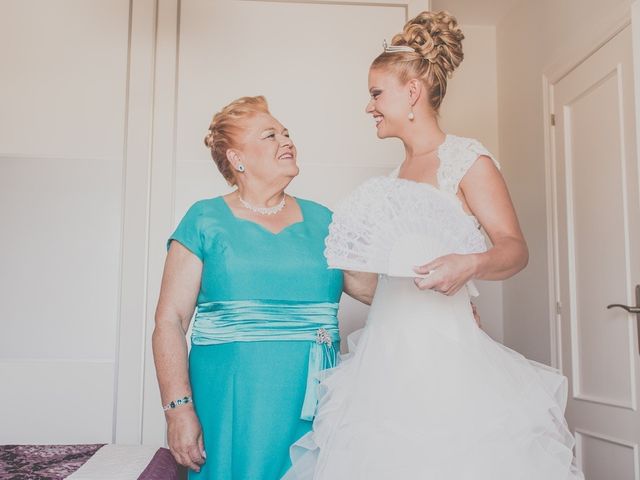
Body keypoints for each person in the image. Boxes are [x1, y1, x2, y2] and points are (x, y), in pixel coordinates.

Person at [284, 11, 584, 479]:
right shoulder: (390, 181)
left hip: (447, 358)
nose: (369, 107)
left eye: (375, 93)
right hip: (382, 360)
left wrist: (469, 265)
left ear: (412, 93)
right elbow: (379, 277)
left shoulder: (465, 160)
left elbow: (514, 248)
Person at [152, 96, 375, 479]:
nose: (286, 141)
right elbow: (170, 321)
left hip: (313, 400)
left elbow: (375, 290)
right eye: (270, 135)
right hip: (228, 403)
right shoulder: (204, 219)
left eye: (286, 133)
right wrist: (179, 410)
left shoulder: (325, 221)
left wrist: (441, 300)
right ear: (237, 158)